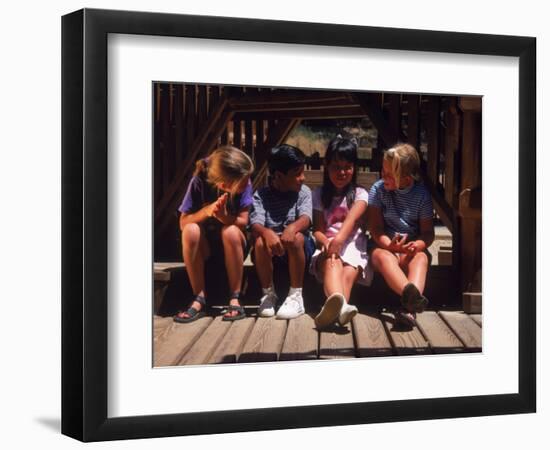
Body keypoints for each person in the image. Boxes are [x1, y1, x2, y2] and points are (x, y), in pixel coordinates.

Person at [174, 146, 254, 323]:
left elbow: (243, 221)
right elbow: (183, 222)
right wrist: (207, 211)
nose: (248, 182)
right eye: (243, 181)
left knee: (231, 231)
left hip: (233, 246)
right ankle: (199, 298)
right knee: (191, 229)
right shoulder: (199, 182)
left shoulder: (244, 181)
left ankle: (235, 297)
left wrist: (224, 217)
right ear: (224, 184)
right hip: (206, 248)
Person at [367, 143, 435, 326]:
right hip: (383, 245)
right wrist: (390, 245)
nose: (383, 176)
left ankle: (408, 311)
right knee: (383, 257)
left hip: (409, 246)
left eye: (389, 175)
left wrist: (417, 245)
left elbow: (428, 233)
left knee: (421, 258)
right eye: (383, 170)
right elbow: (376, 229)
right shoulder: (378, 190)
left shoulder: (422, 196)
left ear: (406, 179)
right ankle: (412, 298)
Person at [310, 136, 372, 329]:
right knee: (331, 261)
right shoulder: (318, 194)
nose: (342, 172)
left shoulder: (361, 194)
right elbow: (318, 230)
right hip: (328, 245)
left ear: (354, 168)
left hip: (353, 245)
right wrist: (326, 242)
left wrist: (338, 241)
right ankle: (342, 309)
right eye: (336, 167)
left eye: (347, 167)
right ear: (326, 166)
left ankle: (336, 310)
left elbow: (351, 221)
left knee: (348, 272)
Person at [249, 145, 315, 319]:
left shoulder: (304, 192)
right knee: (259, 241)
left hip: (298, 249)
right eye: (297, 174)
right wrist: (267, 232)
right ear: (278, 176)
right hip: (271, 252)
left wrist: (292, 228)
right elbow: (255, 224)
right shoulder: (261, 195)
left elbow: (306, 218)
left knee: (297, 238)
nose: (303, 178)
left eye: (303, 172)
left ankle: (296, 295)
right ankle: (268, 294)